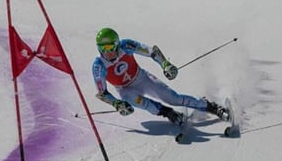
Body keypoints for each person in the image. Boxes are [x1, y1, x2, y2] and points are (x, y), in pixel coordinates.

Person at [92, 27, 229, 125]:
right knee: (133, 100)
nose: (108, 52)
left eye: (111, 47)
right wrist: (116, 103)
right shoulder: (99, 66)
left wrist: (165, 64)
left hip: (141, 78)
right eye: (103, 49)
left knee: (173, 98)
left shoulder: (126, 45)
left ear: (117, 44)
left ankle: (210, 106)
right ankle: (168, 113)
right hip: (125, 89)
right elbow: (102, 93)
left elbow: (152, 51)